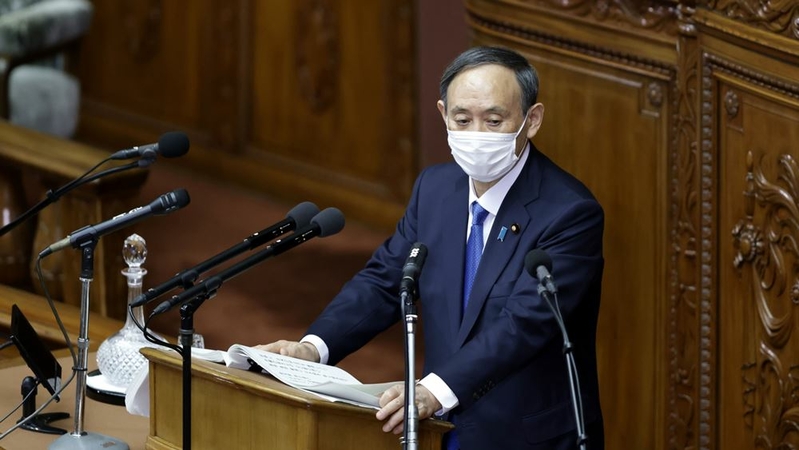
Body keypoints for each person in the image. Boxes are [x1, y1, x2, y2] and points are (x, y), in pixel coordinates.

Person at [260, 46, 605, 450]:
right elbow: (386, 281)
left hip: (524, 434)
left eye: (494, 120)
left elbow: (523, 325)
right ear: (443, 115)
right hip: (438, 426)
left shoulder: (570, 212)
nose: (476, 134)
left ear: (531, 120)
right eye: (462, 119)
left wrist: (434, 391)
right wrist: (313, 348)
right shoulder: (436, 189)